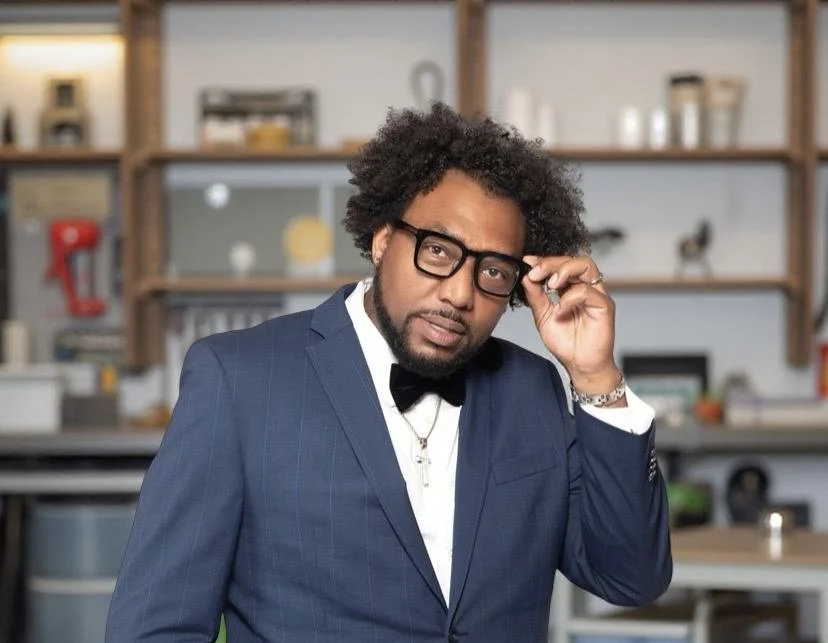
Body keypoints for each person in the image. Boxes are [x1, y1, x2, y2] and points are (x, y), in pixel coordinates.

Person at [105, 102, 672, 643]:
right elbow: (157, 625)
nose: (459, 294)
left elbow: (630, 578)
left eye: (493, 272)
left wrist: (596, 379)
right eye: (438, 251)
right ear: (382, 241)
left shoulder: (532, 389)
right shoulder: (240, 381)